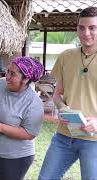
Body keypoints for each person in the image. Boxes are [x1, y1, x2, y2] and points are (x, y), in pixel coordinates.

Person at [39, 7, 97, 180]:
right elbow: (58, 95)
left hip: (94, 141)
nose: (86, 33)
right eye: (82, 27)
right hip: (64, 136)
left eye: (92, 27)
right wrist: (62, 108)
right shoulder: (66, 56)